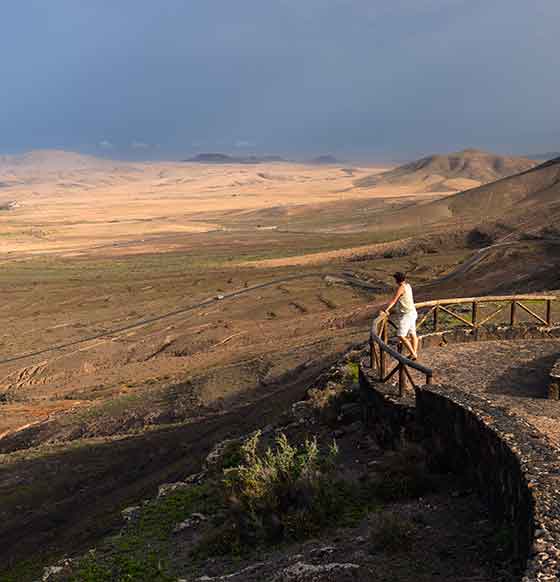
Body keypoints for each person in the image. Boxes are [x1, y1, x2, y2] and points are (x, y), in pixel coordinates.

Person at [380, 272, 419, 360]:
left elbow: (394, 300)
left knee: (401, 335)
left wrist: (386, 310)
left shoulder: (401, 288)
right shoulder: (408, 285)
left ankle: (413, 353)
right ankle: (414, 353)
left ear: (397, 280)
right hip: (413, 312)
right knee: (413, 334)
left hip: (407, 315)